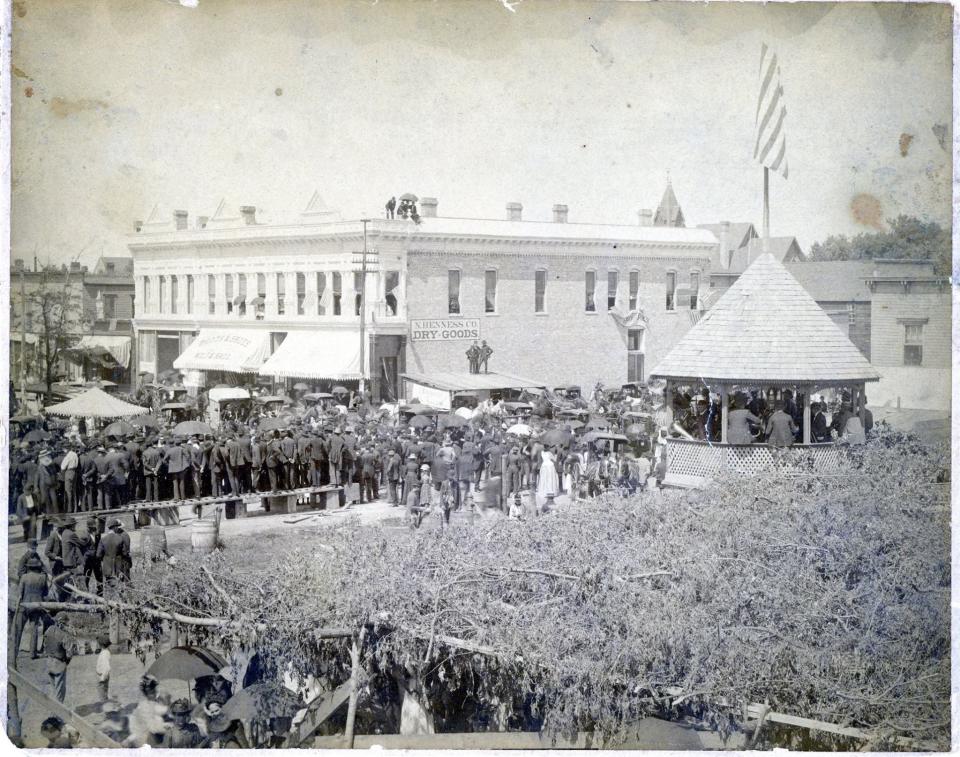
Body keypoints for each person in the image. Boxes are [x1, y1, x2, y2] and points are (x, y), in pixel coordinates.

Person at [13, 556, 47, 662]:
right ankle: (33, 653)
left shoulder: (24, 577)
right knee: (34, 629)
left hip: (24, 605)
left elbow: (20, 593)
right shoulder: (43, 578)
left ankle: (15, 652)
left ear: (29, 567)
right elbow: (45, 593)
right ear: (38, 568)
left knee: (19, 629)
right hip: (36, 605)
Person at [44, 612, 73, 702]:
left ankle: (53, 711)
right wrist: (67, 661)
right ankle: (58, 714)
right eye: (65, 623)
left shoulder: (48, 630)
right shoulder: (64, 635)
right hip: (59, 662)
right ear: (61, 623)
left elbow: (45, 644)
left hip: (48, 661)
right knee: (60, 691)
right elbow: (69, 653)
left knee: (53, 690)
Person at [98, 518, 131, 586]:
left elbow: (98, 554)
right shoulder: (120, 538)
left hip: (107, 566)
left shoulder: (103, 539)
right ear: (115, 527)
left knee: (110, 585)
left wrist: (105, 559)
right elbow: (125, 553)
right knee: (120, 585)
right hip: (118, 566)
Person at [96, 633, 112, 703]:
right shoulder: (105, 652)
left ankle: (106, 708)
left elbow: (107, 667)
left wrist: (103, 677)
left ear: (101, 645)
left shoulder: (105, 653)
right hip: (103, 675)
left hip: (103, 676)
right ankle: (106, 706)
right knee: (103, 693)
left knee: (102, 694)